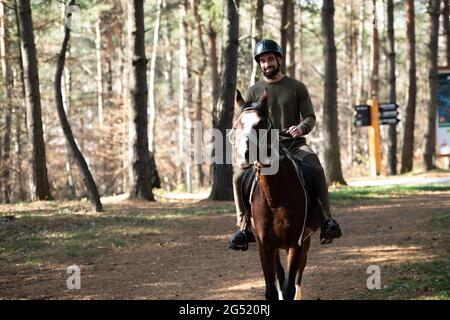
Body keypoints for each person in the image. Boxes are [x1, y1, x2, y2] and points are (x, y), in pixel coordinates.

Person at [229, 39, 342, 251]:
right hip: (265, 148)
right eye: (262, 61)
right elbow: (247, 123)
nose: (267, 64)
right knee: (237, 177)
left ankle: (327, 221)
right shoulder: (254, 91)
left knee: (316, 168)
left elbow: (310, 117)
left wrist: (300, 128)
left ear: (279, 59)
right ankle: (243, 227)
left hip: (294, 145)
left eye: (270, 59)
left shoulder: (297, 87)